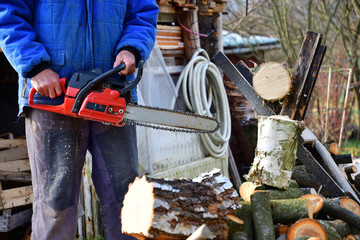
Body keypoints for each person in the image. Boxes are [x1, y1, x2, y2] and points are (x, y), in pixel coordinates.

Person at [0, 1, 158, 239]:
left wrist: (132, 47)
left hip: (113, 90)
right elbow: (8, 13)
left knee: (124, 196)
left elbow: (143, 11)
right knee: (56, 201)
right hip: (53, 96)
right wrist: (34, 65)